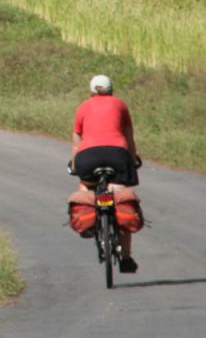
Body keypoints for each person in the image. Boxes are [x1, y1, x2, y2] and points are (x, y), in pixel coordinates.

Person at [71, 74, 141, 273]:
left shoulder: (83, 107)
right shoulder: (120, 105)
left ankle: (89, 221)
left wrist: (76, 166)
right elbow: (129, 138)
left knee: (86, 184)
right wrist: (132, 160)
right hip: (117, 154)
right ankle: (126, 258)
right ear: (112, 90)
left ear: (91, 91)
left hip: (88, 156)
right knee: (120, 197)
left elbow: (76, 141)